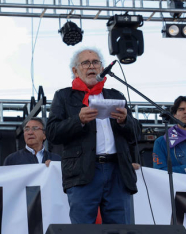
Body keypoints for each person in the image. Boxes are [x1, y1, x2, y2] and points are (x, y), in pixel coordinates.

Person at [46, 47, 141, 224]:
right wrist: (78, 120)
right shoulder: (64, 96)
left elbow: (136, 134)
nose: (91, 66)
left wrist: (124, 121)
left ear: (102, 68)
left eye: (95, 62)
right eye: (86, 63)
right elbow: (52, 133)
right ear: (75, 70)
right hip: (83, 171)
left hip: (118, 172)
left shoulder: (115, 95)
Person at [153, 96, 186, 184]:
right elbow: (159, 173)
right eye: (181, 109)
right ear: (174, 115)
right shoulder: (161, 142)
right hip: (177, 195)